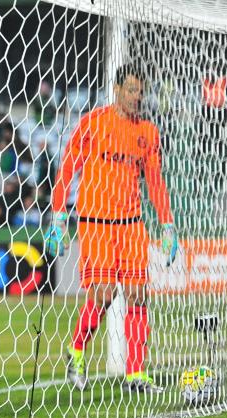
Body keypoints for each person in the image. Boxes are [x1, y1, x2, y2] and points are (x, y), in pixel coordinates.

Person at [44, 64, 178, 394]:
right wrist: (59, 217)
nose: (137, 96)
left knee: (137, 295)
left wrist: (167, 223)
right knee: (104, 295)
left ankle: (135, 373)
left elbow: (156, 182)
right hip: (96, 222)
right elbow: (67, 169)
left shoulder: (147, 131)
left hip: (132, 224)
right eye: (131, 89)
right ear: (116, 89)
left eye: (141, 91)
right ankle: (76, 351)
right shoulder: (92, 122)